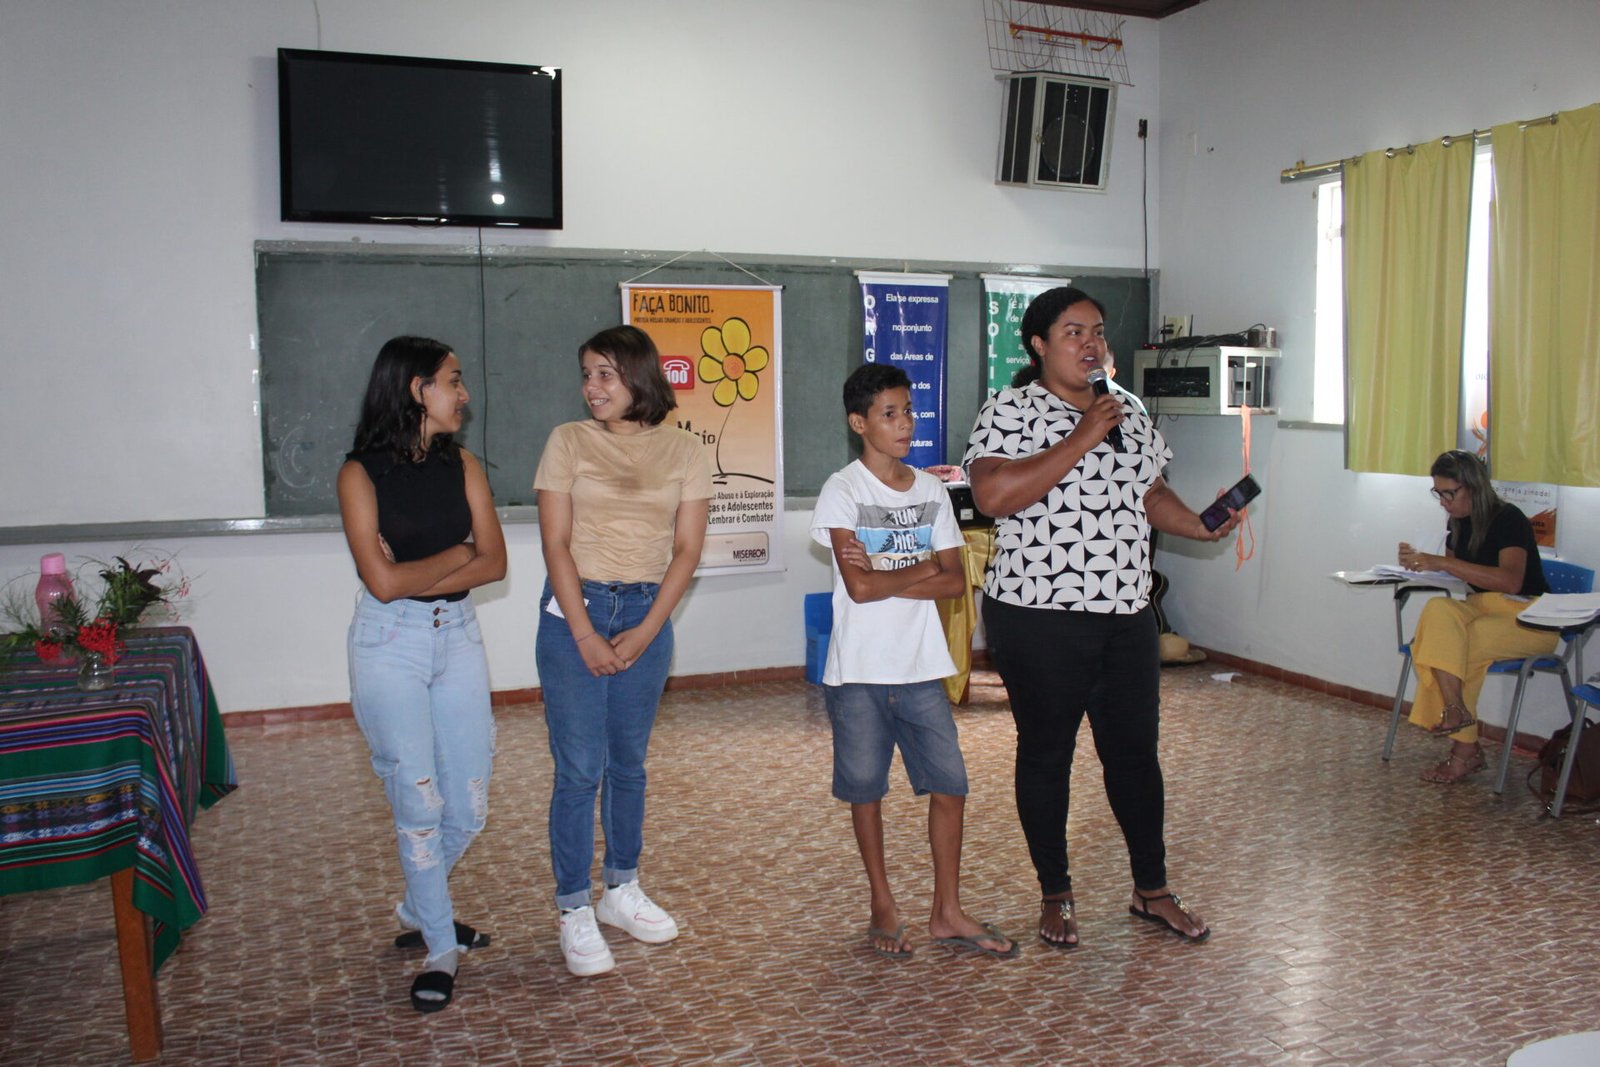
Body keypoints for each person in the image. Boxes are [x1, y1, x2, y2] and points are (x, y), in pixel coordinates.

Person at [964, 287, 1239, 949]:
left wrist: (1199, 525)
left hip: (1124, 613)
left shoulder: (1128, 409)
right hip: (1038, 614)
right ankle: (1055, 893)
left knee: (1135, 756)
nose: (1090, 344)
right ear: (1039, 344)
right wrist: (1082, 434)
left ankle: (1152, 890)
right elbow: (993, 494)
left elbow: (1151, 493)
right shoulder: (1011, 409)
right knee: (1047, 755)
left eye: (1097, 331)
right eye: (1073, 332)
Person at [811, 363, 1019, 961]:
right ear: (859, 423)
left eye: (908, 411)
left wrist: (895, 571)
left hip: (922, 669)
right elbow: (859, 591)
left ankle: (946, 911)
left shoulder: (931, 491)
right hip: (858, 673)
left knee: (950, 786)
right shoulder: (843, 490)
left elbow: (955, 583)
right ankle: (882, 903)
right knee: (866, 791)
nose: (905, 424)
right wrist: (924, 564)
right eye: (890, 414)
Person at [534, 324, 711, 977]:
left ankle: (621, 887)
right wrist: (585, 632)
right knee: (580, 768)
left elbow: (687, 550)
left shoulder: (684, 449)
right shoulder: (568, 440)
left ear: (638, 376)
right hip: (573, 609)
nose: (592, 386)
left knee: (628, 764)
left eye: (605, 373)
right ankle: (572, 907)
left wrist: (648, 628)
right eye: (587, 374)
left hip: (646, 611)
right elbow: (555, 543)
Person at [337, 336, 507, 1013]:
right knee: (418, 804)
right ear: (416, 389)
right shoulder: (359, 474)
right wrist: (457, 552)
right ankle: (439, 946)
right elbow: (380, 585)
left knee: (468, 805)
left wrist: (418, 569)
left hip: (457, 635)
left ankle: (420, 903)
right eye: (452, 381)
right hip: (389, 645)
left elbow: (494, 562)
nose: (463, 394)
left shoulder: (462, 463)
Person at [1398, 449, 1553, 784]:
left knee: (1456, 645)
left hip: (1529, 617)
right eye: (1438, 493)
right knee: (1437, 610)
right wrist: (1419, 563)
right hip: (1482, 608)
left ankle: (1464, 751)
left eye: (1449, 493)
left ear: (1473, 487)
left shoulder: (1508, 519)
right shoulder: (1457, 521)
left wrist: (1442, 562)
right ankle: (1456, 710)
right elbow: (1457, 578)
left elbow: (1510, 581)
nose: (1443, 502)